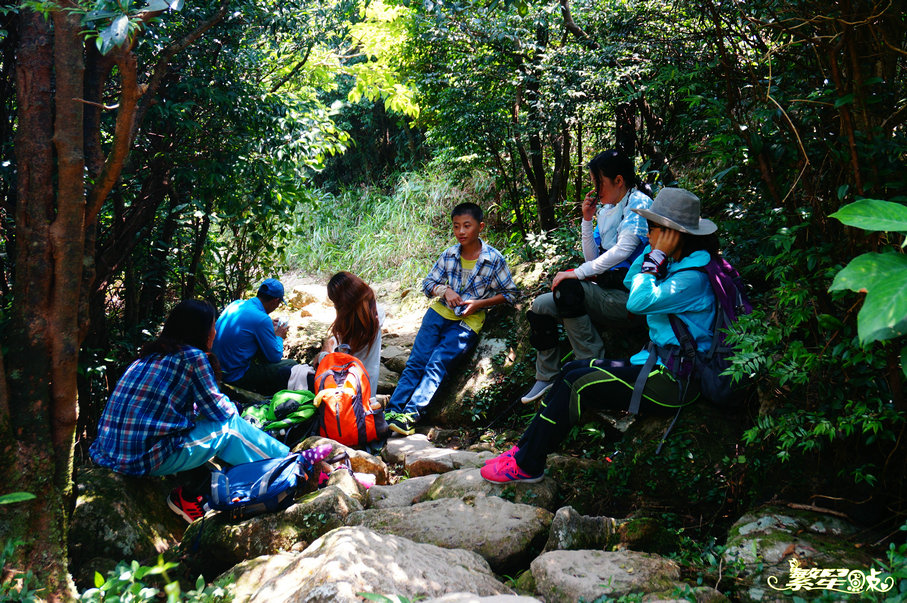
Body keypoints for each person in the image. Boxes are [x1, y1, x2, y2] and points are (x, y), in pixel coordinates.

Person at [482, 188, 717, 483]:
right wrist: (653, 253)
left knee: (576, 383)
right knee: (570, 370)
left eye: (654, 228)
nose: (648, 233)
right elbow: (631, 280)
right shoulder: (675, 264)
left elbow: (636, 302)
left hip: (674, 380)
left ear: (673, 234)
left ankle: (528, 465)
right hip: (656, 364)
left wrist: (656, 255)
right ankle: (522, 450)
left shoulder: (691, 278)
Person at [89, 300, 290, 521]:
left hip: (108, 451)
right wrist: (235, 408)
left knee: (208, 424)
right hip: (141, 457)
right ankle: (286, 464)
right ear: (200, 330)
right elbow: (220, 412)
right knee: (230, 428)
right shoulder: (193, 357)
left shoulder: (149, 356)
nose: (215, 332)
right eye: (212, 326)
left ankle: (204, 490)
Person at [521, 150, 653, 404]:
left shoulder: (639, 204)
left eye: (598, 182)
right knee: (540, 306)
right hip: (605, 291)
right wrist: (587, 220)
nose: (595, 189)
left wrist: (576, 273)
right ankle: (546, 376)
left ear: (618, 180)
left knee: (569, 290)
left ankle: (590, 365)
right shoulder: (608, 210)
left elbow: (623, 250)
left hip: (629, 297)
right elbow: (592, 258)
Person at [384, 202, 519, 436]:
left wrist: (479, 304)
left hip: (468, 322)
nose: (461, 232)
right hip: (438, 314)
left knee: (437, 363)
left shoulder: (494, 259)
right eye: (456, 226)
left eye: (467, 225)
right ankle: (392, 411)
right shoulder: (449, 255)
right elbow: (428, 283)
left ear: (480, 227)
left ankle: (411, 415)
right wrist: (444, 290)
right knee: (416, 362)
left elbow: (511, 294)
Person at [212, 278, 305, 396]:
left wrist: (268, 326)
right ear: (275, 301)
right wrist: (279, 336)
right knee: (291, 364)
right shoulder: (262, 319)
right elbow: (274, 357)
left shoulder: (236, 304)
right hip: (235, 375)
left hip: (217, 369)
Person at [319, 271, 385, 391]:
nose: (335, 307)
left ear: (344, 303)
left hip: (350, 390)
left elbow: (339, 363)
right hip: (369, 386)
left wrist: (322, 355)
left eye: (336, 303)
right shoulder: (376, 313)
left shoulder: (355, 328)